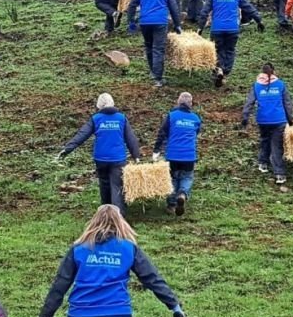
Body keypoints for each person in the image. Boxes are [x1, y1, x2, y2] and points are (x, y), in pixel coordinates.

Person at [40, 204, 184, 317]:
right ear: (120, 222)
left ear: (93, 221)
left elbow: (60, 284)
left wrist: (45, 314)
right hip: (117, 310)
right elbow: (152, 278)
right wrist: (174, 306)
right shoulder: (128, 248)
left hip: (81, 311)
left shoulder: (79, 249)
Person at [56, 93, 142, 215]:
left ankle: (105, 214)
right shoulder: (121, 118)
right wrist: (136, 156)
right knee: (117, 186)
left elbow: (82, 134)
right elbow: (131, 138)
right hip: (118, 159)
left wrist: (67, 149)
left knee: (105, 186)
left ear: (99, 105)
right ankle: (118, 216)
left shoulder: (96, 119)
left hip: (101, 159)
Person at [199, 0, 264, 87]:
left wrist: (200, 27)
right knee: (230, 50)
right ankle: (225, 71)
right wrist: (259, 20)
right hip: (232, 29)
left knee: (217, 50)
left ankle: (219, 69)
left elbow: (204, 12)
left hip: (217, 29)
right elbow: (248, 8)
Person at [240, 63, 293, 185]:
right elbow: (287, 104)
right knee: (277, 146)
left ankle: (263, 163)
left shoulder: (256, 86)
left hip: (263, 120)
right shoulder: (280, 85)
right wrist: (290, 120)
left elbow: (249, 103)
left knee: (265, 139)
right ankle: (280, 174)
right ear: (274, 71)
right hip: (279, 120)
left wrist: (245, 118)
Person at [125, 0, 182, 87]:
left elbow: (131, 5)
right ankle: (158, 78)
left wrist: (131, 21)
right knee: (158, 49)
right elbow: (174, 8)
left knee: (149, 46)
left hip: (145, 22)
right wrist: (177, 25)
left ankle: (152, 72)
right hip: (160, 22)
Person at [153, 92, 203, 216]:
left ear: (178, 102)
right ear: (191, 104)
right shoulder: (196, 118)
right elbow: (196, 133)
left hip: (172, 155)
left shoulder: (171, 116)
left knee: (172, 178)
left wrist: (156, 150)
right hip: (189, 156)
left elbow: (162, 133)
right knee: (187, 177)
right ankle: (182, 194)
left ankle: (171, 205)